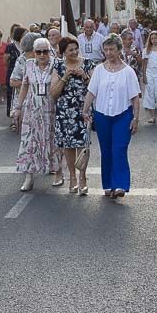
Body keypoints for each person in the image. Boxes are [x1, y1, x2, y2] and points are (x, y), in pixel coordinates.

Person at [83, 35, 141, 199]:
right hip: (102, 115)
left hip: (123, 115)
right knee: (106, 150)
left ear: (119, 50)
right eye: (106, 49)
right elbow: (91, 92)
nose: (108, 53)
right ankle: (108, 184)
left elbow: (135, 97)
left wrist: (135, 118)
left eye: (112, 49)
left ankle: (121, 184)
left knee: (119, 149)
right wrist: (85, 110)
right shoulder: (99, 70)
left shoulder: (128, 72)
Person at [13, 37, 60, 191]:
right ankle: (29, 177)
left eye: (44, 51)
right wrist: (18, 107)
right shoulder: (29, 64)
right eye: (38, 52)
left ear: (49, 51)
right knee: (29, 142)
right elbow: (25, 85)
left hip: (51, 109)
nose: (41, 55)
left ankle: (58, 172)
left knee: (53, 141)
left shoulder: (56, 64)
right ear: (34, 52)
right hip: (32, 110)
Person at [51, 37, 92, 195]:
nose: (74, 52)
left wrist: (84, 76)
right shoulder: (58, 66)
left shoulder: (88, 63)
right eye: (70, 50)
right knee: (68, 145)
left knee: (83, 145)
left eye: (76, 48)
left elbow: (95, 88)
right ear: (63, 53)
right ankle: (72, 177)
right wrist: (65, 77)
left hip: (83, 110)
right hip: (65, 112)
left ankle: (83, 177)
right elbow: (53, 93)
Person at [4, 26, 25, 113]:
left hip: (24, 72)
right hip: (12, 71)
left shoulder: (26, 46)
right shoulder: (10, 46)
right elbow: (5, 60)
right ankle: (12, 113)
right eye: (24, 35)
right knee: (11, 92)